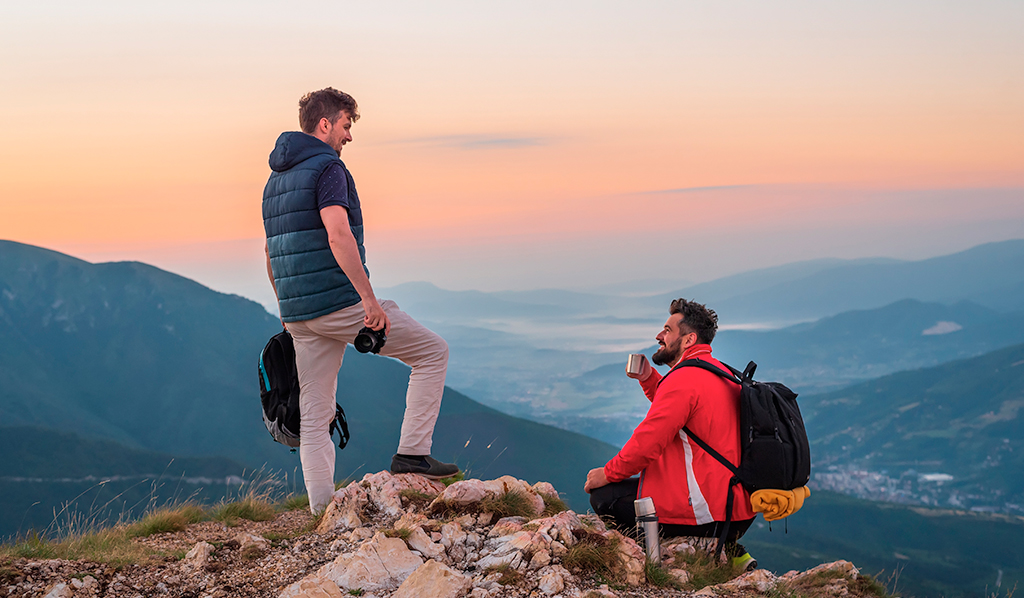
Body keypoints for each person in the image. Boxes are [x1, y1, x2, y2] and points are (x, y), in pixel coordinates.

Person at [263, 88, 458, 513]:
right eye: (347, 125)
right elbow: (337, 233)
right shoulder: (328, 169)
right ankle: (412, 452)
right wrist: (367, 300)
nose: (349, 136)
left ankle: (322, 515)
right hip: (337, 304)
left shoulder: (275, 181)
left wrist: (286, 309)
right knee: (432, 352)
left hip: (298, 314)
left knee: (315, 415)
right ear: (325, 124)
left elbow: (270, 252)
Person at [584, 298, 757, 569]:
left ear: (688, 340)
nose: (658, 336)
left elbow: (646, 444)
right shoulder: (718, 371)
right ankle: (730, 547)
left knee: (605, 496)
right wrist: (649, 379)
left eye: (667, 330)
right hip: (735, 507)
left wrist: (606, 473)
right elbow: (684, 415)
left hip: (709, 512)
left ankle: (668, 558)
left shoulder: (683, 381)